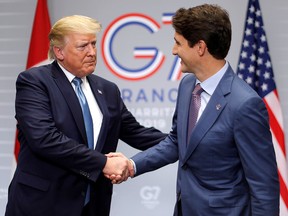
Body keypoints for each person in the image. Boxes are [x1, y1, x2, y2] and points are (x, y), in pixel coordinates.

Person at [108, 4, 280, 216]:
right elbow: (177, 142)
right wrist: (133, 165)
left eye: (178, 43)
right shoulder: (188, 85)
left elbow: (264, 186)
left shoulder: (245, 104)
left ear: (200, 47)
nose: (173, 51)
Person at [5, 15, 166, 216]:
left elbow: (136, 133)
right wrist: (104, 163)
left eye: (94, 44)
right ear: (59, 52)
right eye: (83, 46)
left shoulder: (107, 90)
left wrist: (184, 142)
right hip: (43, 204)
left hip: (93, 205)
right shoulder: (34, 82)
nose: (91, 52)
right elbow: (44, 138)